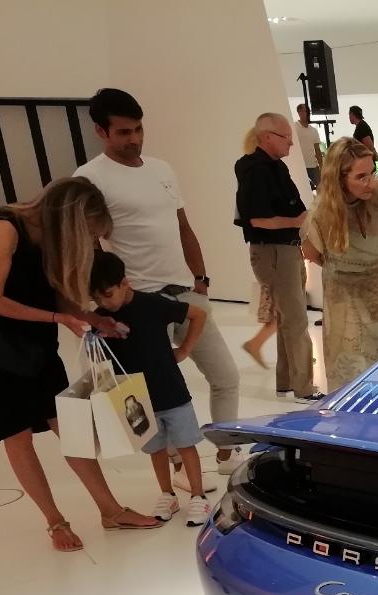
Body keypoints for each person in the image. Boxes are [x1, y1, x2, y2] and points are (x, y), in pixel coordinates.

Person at [0, 178, 161, 551]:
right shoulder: (2, 230)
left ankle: (110, 510)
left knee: (68, 423)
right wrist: (57, 319)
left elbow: (53, 293)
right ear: (71, 219)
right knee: (17, 434)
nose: (88, 242)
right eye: (88, 232)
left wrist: (91, 319)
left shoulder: (47, 239)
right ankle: (55, 521)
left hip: (32, 343)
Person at [75, 87, 242, 492]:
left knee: (225, 376)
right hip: (137, 302)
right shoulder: (90, 178)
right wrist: (102, 306)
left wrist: (201, 279)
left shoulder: (162, 169)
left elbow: (182, 226)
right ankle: (175, 463)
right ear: (101, 131)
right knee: (152, 394)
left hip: (184, 291)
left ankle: (225, 452)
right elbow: (89, 247)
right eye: (123, 132)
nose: (134, 139)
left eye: (138, 129)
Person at [90, 251, 211, 526]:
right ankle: (167, 494)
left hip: (171, 390)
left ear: (125, 283)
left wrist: (185, 349)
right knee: (154, 448)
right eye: (96, 298)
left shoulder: (152, 304)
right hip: (134, 398)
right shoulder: (100, 318)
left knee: (186, 444)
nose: (103, 303)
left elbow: (198, 314)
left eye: (107, 294)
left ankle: (198, 495)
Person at [301, 137, 378, 388]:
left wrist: (376, 259)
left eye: (372, 173)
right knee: (351, 374)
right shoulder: (320, 214)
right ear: (339, 178)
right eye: (361, 177)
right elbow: (312, 253)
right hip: (346, 302)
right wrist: (347, 268)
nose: (370, 182)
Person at [235, 112, 321, 402]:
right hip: (273, 251)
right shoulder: (254, 170)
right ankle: (304, 387)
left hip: (285, 249)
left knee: (288, 319)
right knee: (295, 319)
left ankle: (287, 381)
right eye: (286, 137)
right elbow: (255, 219)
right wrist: (297, 221)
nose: (291, 144)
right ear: (267, 137)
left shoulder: (274, 167)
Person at [295, 102, 324, 191]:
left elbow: (317, 149)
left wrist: (321, 166)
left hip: (313, 166)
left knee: (321, 189)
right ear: (299, 112)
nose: (306, 113)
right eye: (304, 111)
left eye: (307, 111)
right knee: (303, 190)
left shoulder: (313, 130)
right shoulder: (294, 127)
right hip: (300, 166)